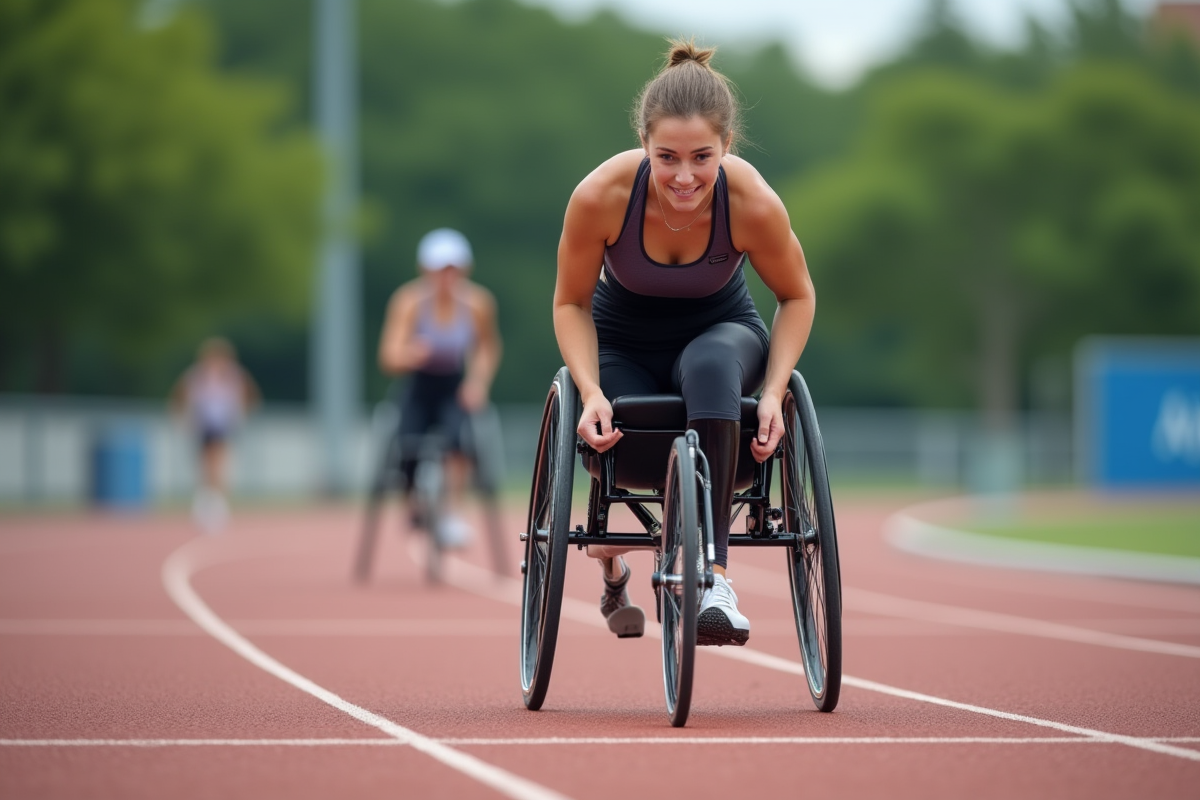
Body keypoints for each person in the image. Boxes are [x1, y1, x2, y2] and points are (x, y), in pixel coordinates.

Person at [553, 39, 816, 646]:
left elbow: (797, 295)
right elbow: (570, 302)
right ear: (643, 145)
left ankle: (715, 578)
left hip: (720, 330)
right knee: (616, 433)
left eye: (702, 156)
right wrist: (589, 391)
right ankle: (613, 558)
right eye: (666, 157)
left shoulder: (750, 202)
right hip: (621, 340)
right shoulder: (601, 196)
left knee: (710, 364)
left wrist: (774, 391)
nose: (684, 176)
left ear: (727, 146)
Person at [377, 228, 502, 547]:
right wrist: (409, 354)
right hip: (418, 385)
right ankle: (414, 507)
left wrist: (477, 383)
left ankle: (451, 513)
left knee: (459, 441)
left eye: (453, 269)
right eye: (440, 269)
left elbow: (487, 348)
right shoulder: (408, 302)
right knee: (406, 449)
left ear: (463, 270)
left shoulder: (477, 303)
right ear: (426, 270)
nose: (447, 277)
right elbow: (388, 355)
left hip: (453, 385)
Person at [170, 337, 260, 533]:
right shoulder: (197, 376)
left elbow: (251, 394)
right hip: (203, 424)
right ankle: (205, 501)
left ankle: (217, 504)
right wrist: (181, 416)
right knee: (205, 463)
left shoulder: (234, 376)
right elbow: (179, 394)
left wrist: (243, 413)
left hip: (224, 424)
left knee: (219, 461)